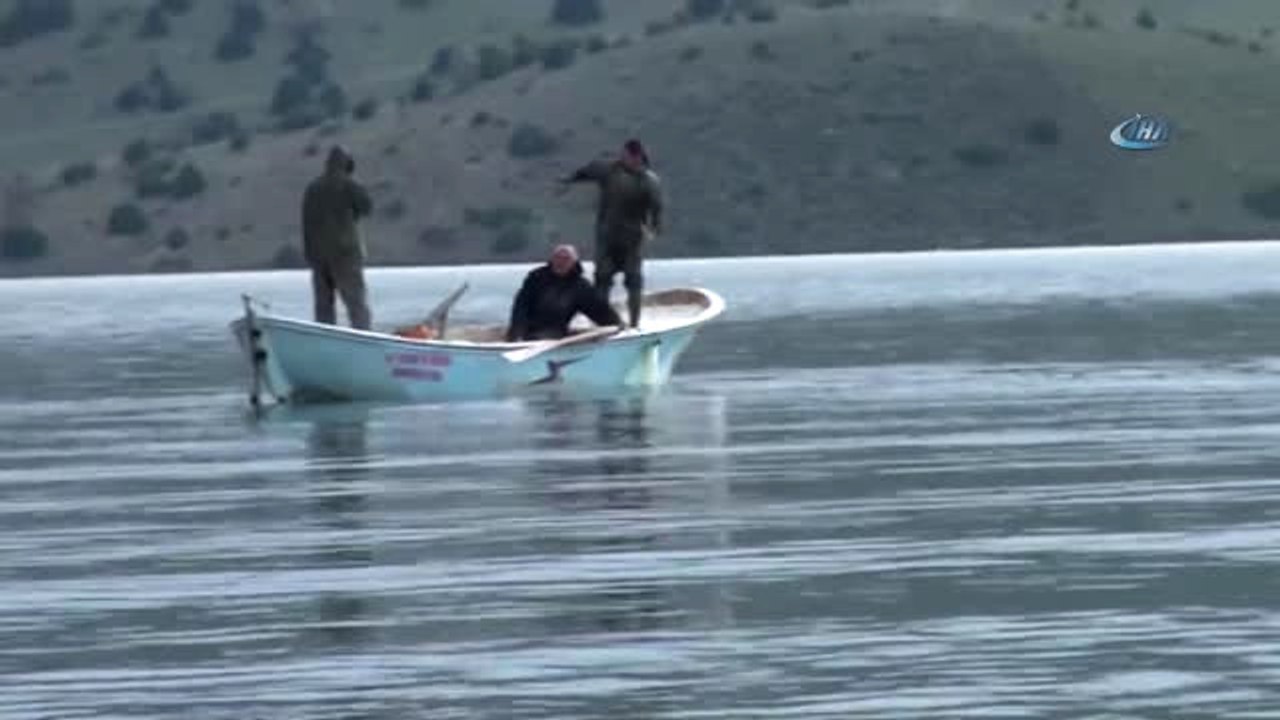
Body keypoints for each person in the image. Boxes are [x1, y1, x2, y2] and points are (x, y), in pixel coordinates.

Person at [559, 138, 663, 329]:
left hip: (632, 239)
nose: (624, 159)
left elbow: (656, 208)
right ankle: (602, 325)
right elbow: (587, 171)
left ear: (638, 157)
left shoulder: (649, 181)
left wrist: (654, 228)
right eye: (623, 155)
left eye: (628, 156)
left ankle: (634, 324)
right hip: (606, 237)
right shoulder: (609, 170)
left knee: (633, 280)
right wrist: (569, 179)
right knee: (602, 279)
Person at [301, 145, 374, 330]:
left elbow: (305, 223)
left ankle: (325, 339)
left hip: (318, 256)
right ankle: (363, 337)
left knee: (324, 307)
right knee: (356, 303)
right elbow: (367, 207)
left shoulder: (312, 188)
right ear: (348, 164)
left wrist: (310, 254)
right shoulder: (349, 185)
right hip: (346, 254)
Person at [505, 244, 622, 342]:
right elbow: (521, 306)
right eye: (557, 258)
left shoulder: (580, 286)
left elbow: (599, 309)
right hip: (527, 331)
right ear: (552, 259)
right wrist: (517, 333)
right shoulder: (536, 278)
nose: (560, 262)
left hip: (555, 333)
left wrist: (618, 325)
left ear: (573, 263)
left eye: (565, 259)